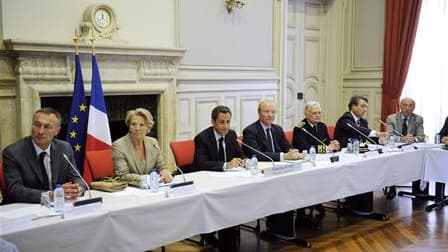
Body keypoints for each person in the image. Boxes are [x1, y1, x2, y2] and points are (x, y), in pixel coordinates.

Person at [242, 99, 306, 244]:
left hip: (280, 172)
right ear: (259, 113)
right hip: (262, 174)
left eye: (272, 112)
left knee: (291, 187)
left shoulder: (277, 129)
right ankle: (275, 225)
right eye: (266, 112)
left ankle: (286, 227)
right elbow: (257, 155)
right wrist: (284, 156)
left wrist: (293, 152)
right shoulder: (250, 131)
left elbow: (286, 147)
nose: (270, 115)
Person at [2, 107, 85, 204]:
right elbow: (15, 190)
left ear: (57, 131)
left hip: (57, 206)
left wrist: (77, 189)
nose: (40, 131)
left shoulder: (64, 148)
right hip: (25, 208)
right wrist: (50, 195)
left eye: (47, 127)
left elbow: (77, 177)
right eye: (36, 125)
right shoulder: (13, 152)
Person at [193, 105, 245, 252]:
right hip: (208, 182)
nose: (225, 126)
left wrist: (245, 160)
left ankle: (229, 238)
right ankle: (216, 236)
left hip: (228, 181)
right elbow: (201, 163)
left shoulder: (231, 135)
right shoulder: (202, 138)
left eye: (228, 122)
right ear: (213, 122)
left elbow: (239, 154)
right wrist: (226, 165)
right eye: (221, 122)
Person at [334, 96, 386, 215]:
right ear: (353, 106)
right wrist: (377, 133)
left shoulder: (363, 121)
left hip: (357, 152)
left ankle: (362, 203)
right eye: (362, 106)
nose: (365, 109)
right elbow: (356, 130)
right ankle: (354, 202)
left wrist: (380, 141)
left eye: (366, 107)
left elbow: (367, 137)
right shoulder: (345, 119)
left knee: (369, 166)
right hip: (344, 155)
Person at [292, 101, 340, 225]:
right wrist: (326, 148)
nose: (318, 115)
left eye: (319, 113)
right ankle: (303, 213)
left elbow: (326, 141)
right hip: (306, 163)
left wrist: (334, 144)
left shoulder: (322, 126)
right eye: (314, 113)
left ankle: (318, 201)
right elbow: (305, 148)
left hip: (322, 161)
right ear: (306, 114)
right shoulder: (300, 128)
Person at [112, 108, 173, 186]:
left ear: (148, 128)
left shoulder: (153, 142)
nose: (137, 128)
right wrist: (148, 179)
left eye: (141, 125)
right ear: (129, 126)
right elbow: (123, 176)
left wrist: (165, 173)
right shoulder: (118, 146)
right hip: (129, 189)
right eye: (133, 124)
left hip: (149, 188)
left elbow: (161, 166)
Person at [385, 98, 426, 199]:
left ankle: (418, 189)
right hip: (396, 149)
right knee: (391, 160)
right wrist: (401, 139)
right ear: (400, 106)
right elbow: (388, 136)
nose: (407, 108)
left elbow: (421, 137)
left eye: (410, 106)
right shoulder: (392, 118)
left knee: (421, 159)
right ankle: (392, 187)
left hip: (412, 149)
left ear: (414, 108)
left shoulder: (418, 119)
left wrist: (414, 138)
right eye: (404, 105)